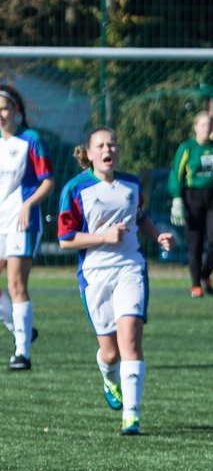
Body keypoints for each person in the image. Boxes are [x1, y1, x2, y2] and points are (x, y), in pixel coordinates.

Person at [58, 128, 175, 435]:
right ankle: (109, 379)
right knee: (110, 353)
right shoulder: (75, 188)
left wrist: (157, 234)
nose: (108, 149)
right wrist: (103, 237)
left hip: (130, 268)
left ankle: (131, 416)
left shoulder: (131, 183)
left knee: (132, 341)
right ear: (90, 152)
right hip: (95, 274)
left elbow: (140, 217)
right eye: (101, 145)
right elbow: (66, 239)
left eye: (112, 143)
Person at [0, 85, 54, 371]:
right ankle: (22, 330)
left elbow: (47, 180)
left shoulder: (31, 140)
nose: (0, 114)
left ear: (17, 111)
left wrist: (28, 204)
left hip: (22, 221)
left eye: (4, 109)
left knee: (15, 284)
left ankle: (22, 353)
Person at [168, 112, 213, 299]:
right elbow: (176, 174)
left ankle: (205, 273)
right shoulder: (187, 147)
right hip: (192, 197)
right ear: (195, 127)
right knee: (195, 243)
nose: (206, 128)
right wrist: (177, 198)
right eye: (203, 124)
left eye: (209, 124)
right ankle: (195, 285)